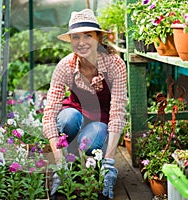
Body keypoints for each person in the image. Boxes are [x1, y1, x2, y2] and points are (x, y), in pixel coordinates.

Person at [42, 8, 127, 199]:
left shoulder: (115, 64)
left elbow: (118, 112)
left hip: (99, 122)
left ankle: (93, 159)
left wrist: (110, 162)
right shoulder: (65, 66)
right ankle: (68, 161)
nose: (81, 43)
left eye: (87, 36)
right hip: (74, 115)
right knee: (67, 119)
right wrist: (58, 163)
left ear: (98, 38)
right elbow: (49, 113)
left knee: (92, 139)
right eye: (76, 37)